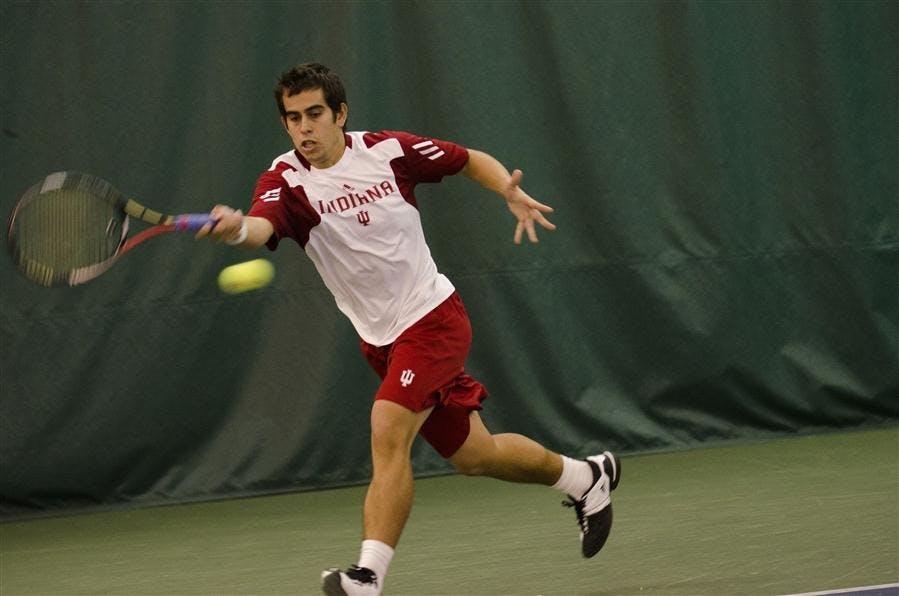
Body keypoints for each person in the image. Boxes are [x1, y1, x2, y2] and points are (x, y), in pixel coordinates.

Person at [197, 62, 621, 596]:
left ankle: (367, 577)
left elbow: (469, 159)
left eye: (314, 114)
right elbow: (261, 227)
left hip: (432, 319)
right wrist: (236, 229)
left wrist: (507, 191)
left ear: (340, 114)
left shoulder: (388, 152)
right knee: (476, 456)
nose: (304, 128)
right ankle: (586, 477)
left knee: (388, 428)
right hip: (381, 341)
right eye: (293, 118)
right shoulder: (285, 180)